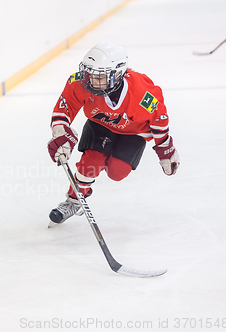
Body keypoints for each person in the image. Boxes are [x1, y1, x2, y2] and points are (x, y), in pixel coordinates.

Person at [47, 41, 180, 227]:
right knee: (91, 162)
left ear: (118, 74)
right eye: (89, 73)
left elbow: (159, 121)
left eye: (99, 76)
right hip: (100, 124)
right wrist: (60, 133)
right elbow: (64, 109)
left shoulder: (143, 94)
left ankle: (102, 166)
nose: (91, 80)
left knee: (117, 172)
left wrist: (166, 148)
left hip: (134, 132)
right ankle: (73, 201)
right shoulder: (79, 82)